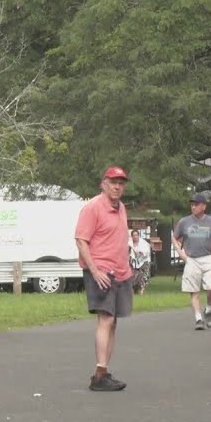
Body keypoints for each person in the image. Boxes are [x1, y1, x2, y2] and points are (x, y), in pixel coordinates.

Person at [75, 166, 134, 392]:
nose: (118, 186)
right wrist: (95, 270)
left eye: (121, 183)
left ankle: (104, 371)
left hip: (121, 272)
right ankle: (100, 374)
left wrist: (128, 269)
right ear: (103, 184)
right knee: (106, 319)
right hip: (101, 272)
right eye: (113, 182)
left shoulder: (121, 208)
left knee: (114, 322)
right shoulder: (92, 208)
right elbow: (81, 240)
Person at [175, 193, 211, 330]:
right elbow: (175, 238)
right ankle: (198, 319)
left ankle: (208, 309)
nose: (193, 207)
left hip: (208, 257)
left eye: (196, 204)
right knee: (193, 290)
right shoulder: (184, 221)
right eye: (192, 204)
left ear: (204, 206)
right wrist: (181, 254)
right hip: (192, 259)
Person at [129, 228, 152, 294]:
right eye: (134, 235)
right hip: (134, 262)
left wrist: (140, 253)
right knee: (132, 274)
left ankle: (142, 289)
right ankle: (133, 288)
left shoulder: (144, 243)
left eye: (136, 235)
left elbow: (147, 253)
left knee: (143, 274)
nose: (135, 237)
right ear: (132, 236)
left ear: (138, 236)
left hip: (144, 261)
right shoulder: (129, 243)